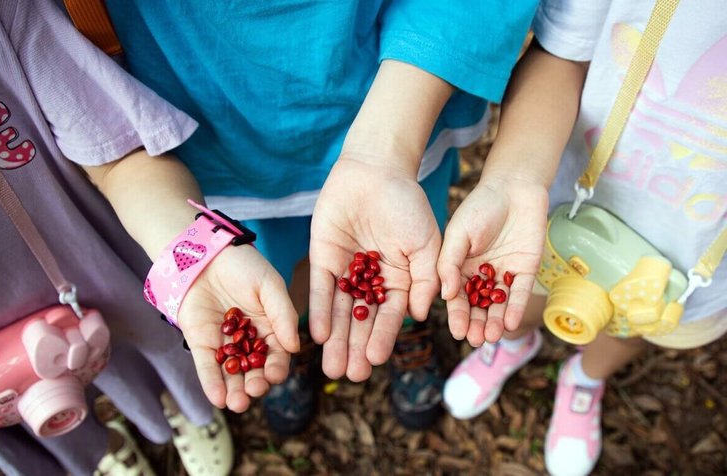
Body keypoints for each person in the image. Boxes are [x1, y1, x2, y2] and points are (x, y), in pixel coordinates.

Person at [102, 0, 539, 433]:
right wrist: (190, 254)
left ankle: (404, 325)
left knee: (403, 256)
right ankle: (292, 330)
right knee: (266, 271)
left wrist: (384, 151)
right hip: (220, 131)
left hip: (399, 108)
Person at [0, 0, 300, 474]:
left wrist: (196, 255)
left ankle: (186, 413)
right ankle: (105, 449)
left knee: (161, 356)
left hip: (99, 271)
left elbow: (118, 158)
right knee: (46, 411)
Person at [438, 0, 727, 474]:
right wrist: (512, 180)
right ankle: (511, 343)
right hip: (566, 213)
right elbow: (560, 54)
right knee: (521, 299)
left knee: (634, 330)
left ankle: (585, 377)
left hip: (694, 261)